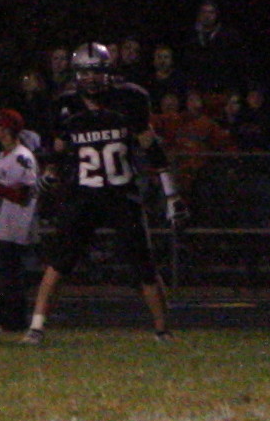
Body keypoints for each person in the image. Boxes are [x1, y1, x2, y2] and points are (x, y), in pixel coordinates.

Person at [24, 41, 176, 343]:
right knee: (58, 262)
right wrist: (50, 172)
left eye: (96, 72)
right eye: (85, 72)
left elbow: (151, 147)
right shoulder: (66, 104)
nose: (91, 78)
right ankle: (36, 327)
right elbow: (58, 149)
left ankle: (163, 330)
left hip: (121, 192)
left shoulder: (129, 99)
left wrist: (171, 194)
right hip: (83, 193)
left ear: (108, 72)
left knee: (144, 265)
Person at [0, 109, 41, 334]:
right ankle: (6, 323)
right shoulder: (4, 155)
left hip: (11, 227)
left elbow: (23, 195)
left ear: (7, 129)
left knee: (9, 280)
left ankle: (16, 324)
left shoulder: (22, 157)